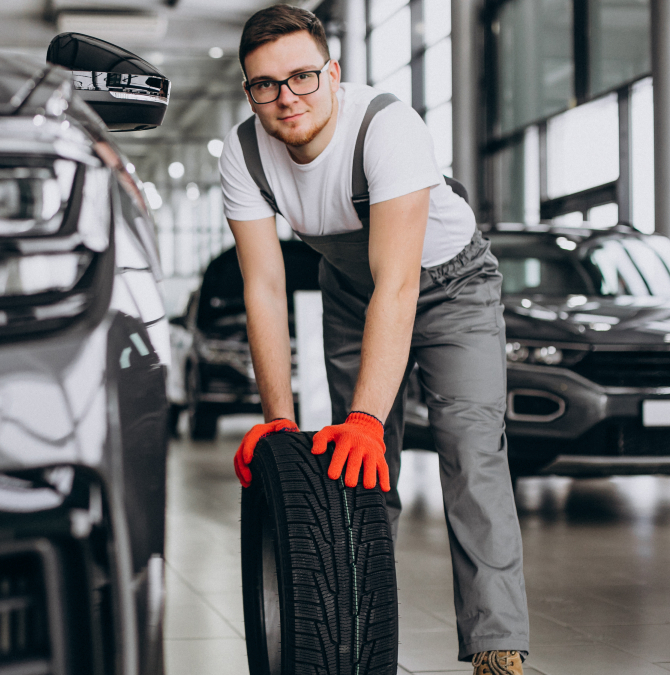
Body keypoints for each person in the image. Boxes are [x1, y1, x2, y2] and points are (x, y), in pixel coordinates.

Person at [222, 5, 529, 673]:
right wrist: (277, 419)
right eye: (265, 84)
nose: (286, 98)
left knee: (470, 448)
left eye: (302, 76)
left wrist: (366, 416)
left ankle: (497, 647)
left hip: (452, 285)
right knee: (358, 468)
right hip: (351, 290)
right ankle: (356, 635)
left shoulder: (386, 127)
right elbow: (264, 290)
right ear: (248, 90)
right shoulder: (245, 153)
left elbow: (400, 284)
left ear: (333, 72)